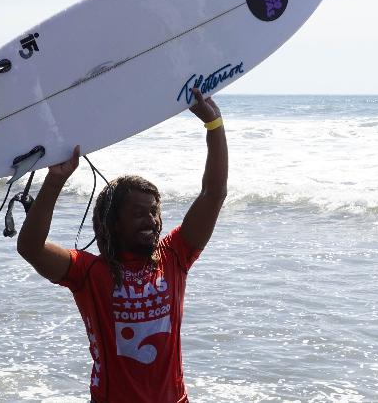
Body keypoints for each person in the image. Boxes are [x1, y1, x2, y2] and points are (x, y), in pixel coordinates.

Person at [17, 87, 227, 402]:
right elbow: (31, 248)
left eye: (154, 212)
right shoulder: (88, 272)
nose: (152, 220)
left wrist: (214, 127)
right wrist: (56, 179)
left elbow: (213, 194)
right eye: (139, 213)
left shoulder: (174, 256)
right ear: (113, 222)